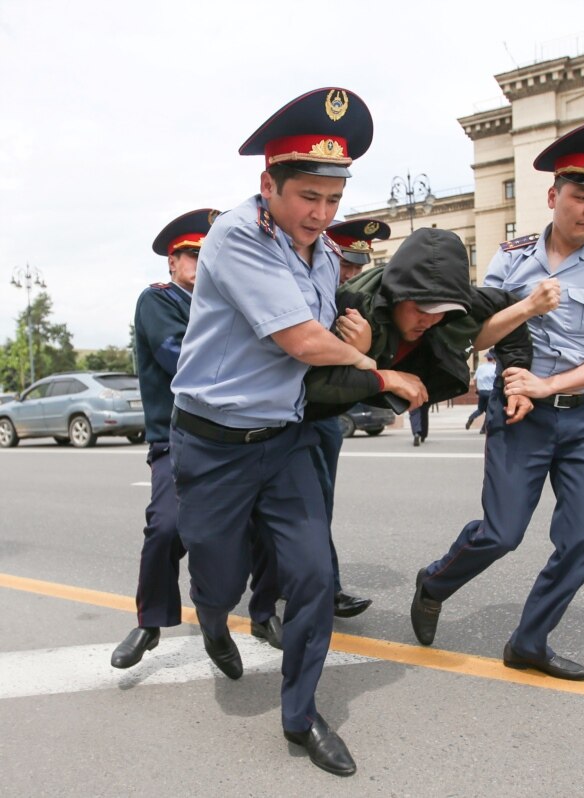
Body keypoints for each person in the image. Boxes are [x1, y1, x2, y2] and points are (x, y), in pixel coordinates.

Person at [169, 88, 402, 778]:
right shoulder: (235, 236)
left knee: (312, 575)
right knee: (218, 576)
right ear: (266, 185)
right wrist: (375, 369)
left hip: (285, 438)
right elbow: (301, 341)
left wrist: (352, 332)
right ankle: (211, 618)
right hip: (213, 443)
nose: (321, 215)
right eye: (308, 197)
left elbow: (323, 330)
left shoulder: (324, 253)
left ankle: (300, 716)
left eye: (333, 199)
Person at [409, 118, 584, 682]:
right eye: (580, 196)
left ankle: (529, 640)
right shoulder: (513, 258)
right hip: (518, 413)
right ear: (553, 196)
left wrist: (547, 384)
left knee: (583, 541)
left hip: (581, 417)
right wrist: (526, 309)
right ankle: (436, 582)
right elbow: (476, 336)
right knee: (501, 534)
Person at [110, 209, 283, 670]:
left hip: (242, 436)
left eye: (210, 254)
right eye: (193, 254)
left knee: (267, 526)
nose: (203, 262)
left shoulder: (230, 299)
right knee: (167, 526)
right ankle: (150, 623)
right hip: (178, 438)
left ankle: (263, 613)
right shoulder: (159, 301)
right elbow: (181, 360)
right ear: (173, 262)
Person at [302, 226, 559, 446]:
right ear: (395, 296)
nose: (429, 320)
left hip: (347, 409)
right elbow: (311, 383)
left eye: (441, 311)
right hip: (304, 416)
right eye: (419, 309)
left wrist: (518, 382)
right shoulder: (352, 307)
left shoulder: (457, 298)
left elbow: (509, 309)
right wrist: (377, 370)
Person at [311, 218, 391, 617]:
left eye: (359, 267)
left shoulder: (352, 303)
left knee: (318, 507)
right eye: (346, 264)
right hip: (289, 415)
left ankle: (324, 586)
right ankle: (316, 587)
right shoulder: (304, 290)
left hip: (326, 419)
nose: (352, 275)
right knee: (299, 509)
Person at [464, 351, 497, 432]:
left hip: (482, 392)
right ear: (493, 359)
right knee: (490, 410)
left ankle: (471, 418)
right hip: (491, 392)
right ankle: (484, 429)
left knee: (480, 409)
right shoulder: (495, 368)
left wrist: (476, 388)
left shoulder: (480, 367)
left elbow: (475, 379)